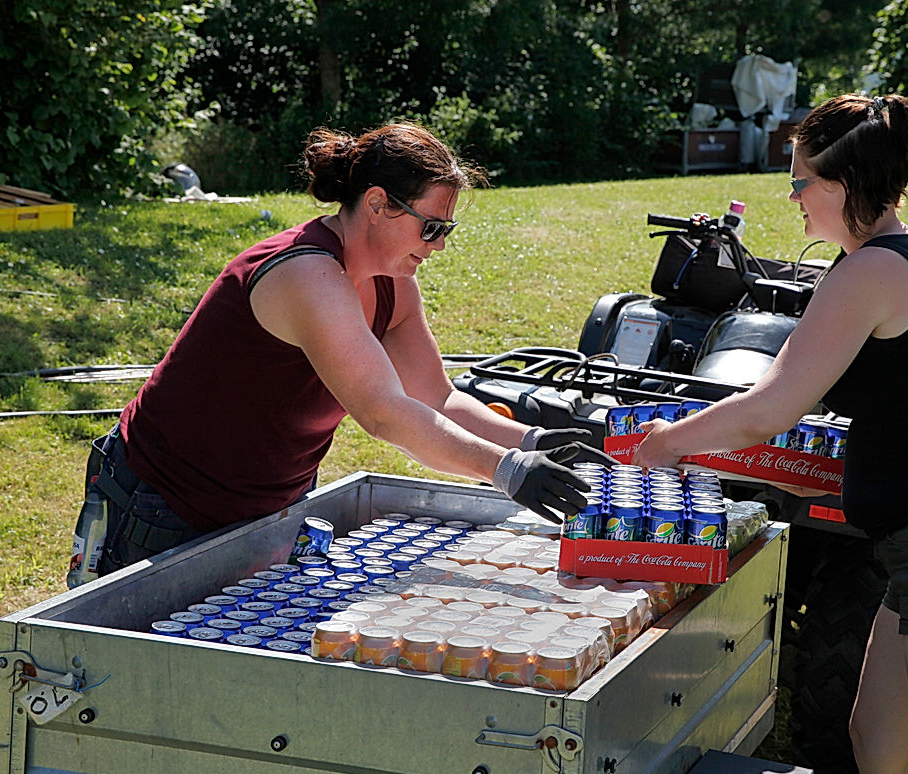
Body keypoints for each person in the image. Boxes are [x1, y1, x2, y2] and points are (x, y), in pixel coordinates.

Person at [633, 94, 908, 774]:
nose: (792, 197)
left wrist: (665, 443)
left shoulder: (869, 273)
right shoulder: (896, 259)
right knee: (876, 744)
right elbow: (907, 413)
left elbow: (768, 409)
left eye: (801, 181)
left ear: (845, 183)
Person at [85, 122, 611, 575]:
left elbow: (436, 397)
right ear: (378, 204)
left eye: (446, 230)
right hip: (164, 499)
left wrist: (532, 440)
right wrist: (508, 469)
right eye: (430, 227)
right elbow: (383, 413)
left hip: (267, 504)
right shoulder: (307, 273)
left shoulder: (394, 283)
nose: (439, 245)